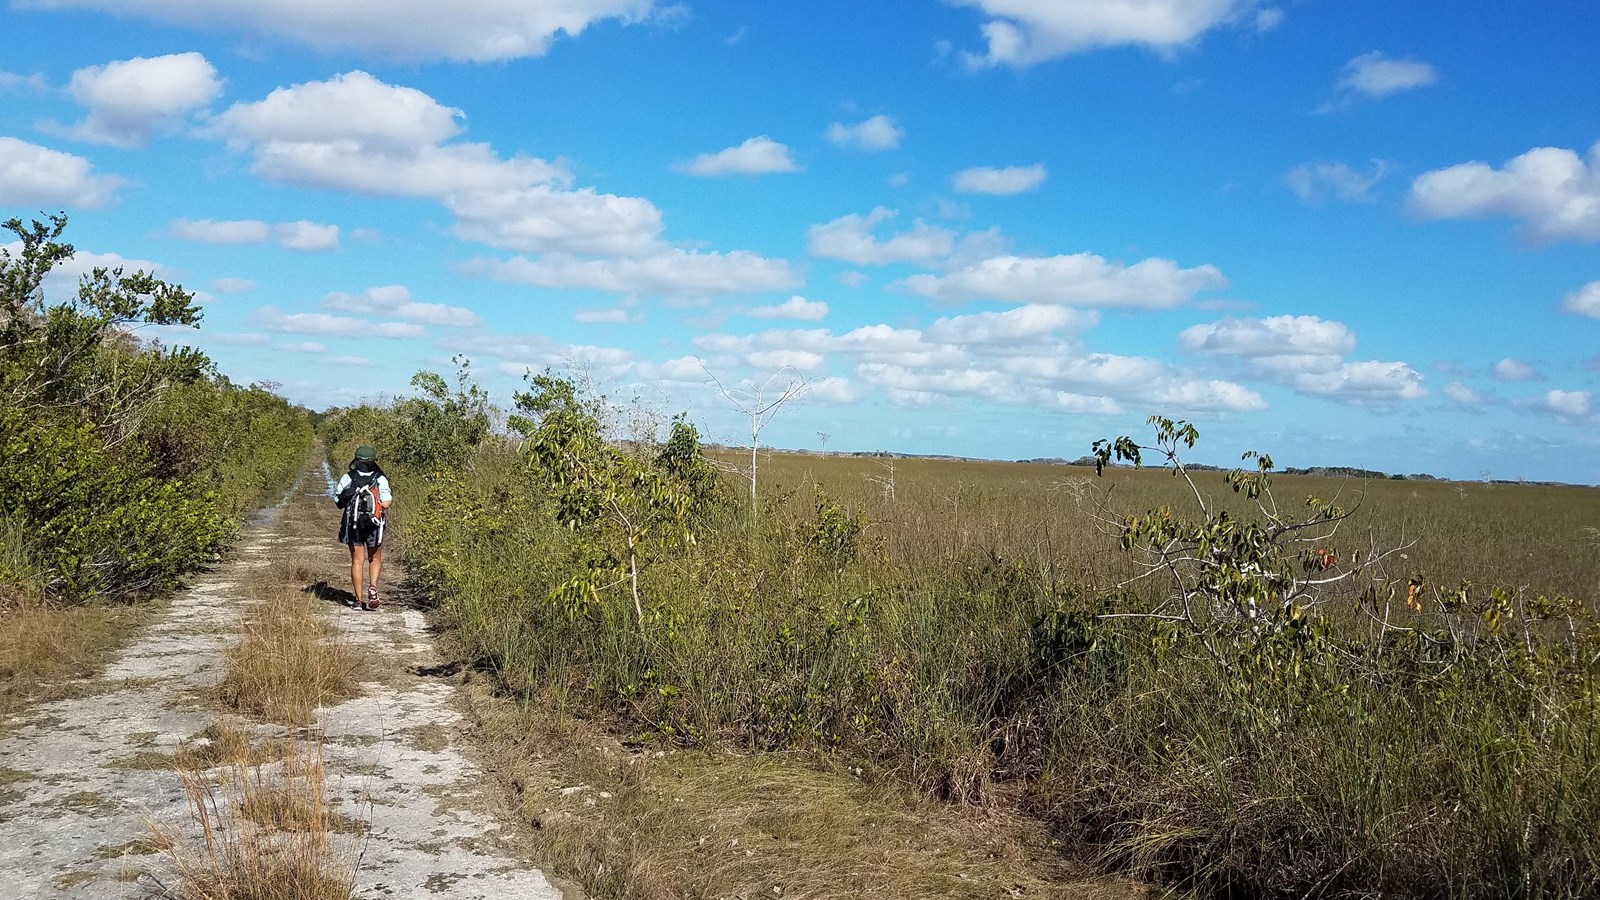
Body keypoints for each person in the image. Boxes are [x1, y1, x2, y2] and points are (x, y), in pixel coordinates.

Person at [334, 445, 393, 610]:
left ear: (356, 460)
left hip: (353, 524)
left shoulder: (348, 477)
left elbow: (338, 500)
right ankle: (373, 588)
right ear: (373, 461)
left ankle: (358, 601)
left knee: (357, 561)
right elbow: (387, 504)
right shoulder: (379, 478)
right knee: (375, 559)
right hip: (375, 524)